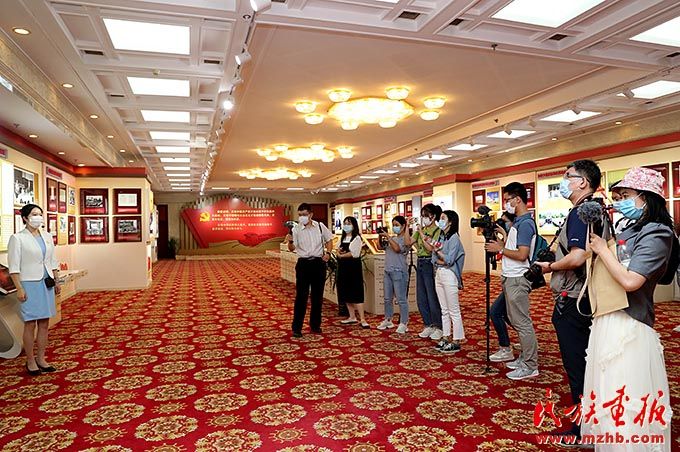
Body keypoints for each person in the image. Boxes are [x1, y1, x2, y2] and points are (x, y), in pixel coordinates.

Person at [585, 167, 674, 450]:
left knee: (626, 397)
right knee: (607, 394)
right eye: (617, 197)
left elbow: (631, 280)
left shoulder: (658, 232)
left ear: (646, 197)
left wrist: (603, 250)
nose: (620, 202)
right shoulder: (630, 229)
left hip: (630, 324)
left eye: (625, 195)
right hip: (608, 318)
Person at [536, 159, 602, 441]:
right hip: (586, 296)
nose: (563, 182)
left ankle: (583, 429)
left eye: (567, 177)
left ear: (583, 182)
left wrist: (549, 267)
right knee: (587, 363)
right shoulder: (595, 210)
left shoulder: (580, 213)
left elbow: (577, 257)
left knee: (578, 366)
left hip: (574, 298)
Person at [485, 182, 538, 380]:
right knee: (510, 317)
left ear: (518, 199)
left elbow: (522, 254)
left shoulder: (525, 224)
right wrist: (504, 241)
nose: (506, 204)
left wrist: (500, 248)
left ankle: (530, 365)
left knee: (522, 322)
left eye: (508, 200)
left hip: (518, 278)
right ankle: (524, 357)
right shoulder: (519, 222)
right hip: (511, 277)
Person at [7, 203, 60, 375]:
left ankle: (41, 358)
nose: (38, 217)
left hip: (46, 282)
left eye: (40, 214)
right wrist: (19, 288)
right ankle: (30, 360)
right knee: (30, 323)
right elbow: (14, 267)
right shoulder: (18, 238)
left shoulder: (47, 236)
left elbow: (52, 260)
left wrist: (57, 280)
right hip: (29, 284)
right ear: (25, 218)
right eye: (34, 214)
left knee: (44, 323)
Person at [285, 203, 334, 338]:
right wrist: (290, 242)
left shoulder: (320, 226)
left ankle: (315, 325)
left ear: (311, 214)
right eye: (300, 215)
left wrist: (328, 253)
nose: (302, 217)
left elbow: (329, 240)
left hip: (318, 264)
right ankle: (297, 328)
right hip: (303, 264)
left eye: (305, 215)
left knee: (317, 296)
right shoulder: (296, 229)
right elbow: (291, 248)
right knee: (301, 296)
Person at [423, 210, 465, 353]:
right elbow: (434, 259)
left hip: (449, 274)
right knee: (444, 309)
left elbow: (449, 259)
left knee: (453, 310)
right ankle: (446, 336)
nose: (440, 221)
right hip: (439, 273)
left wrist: (438, 252)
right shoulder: (442, 236)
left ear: (450, 222)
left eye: (442, 218)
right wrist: (439, 255)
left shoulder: (454, 238)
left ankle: (457, 339)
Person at [410, 203, 443, 340]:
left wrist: (422, 233)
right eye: (422, 216)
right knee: (421, 296)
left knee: (431, 296)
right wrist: (407, 227)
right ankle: (428, 324)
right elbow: (409, 242)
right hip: (420, 262)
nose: (423, 218)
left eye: (426, 216)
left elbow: (430, 248)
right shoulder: (420, 230)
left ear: (433, 216)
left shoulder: (437, 231)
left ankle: (438, 326)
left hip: (430, 263)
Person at [489, 211, 517, 362]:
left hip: (516, 280)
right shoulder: (511, 235)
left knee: (495, 312)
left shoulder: (516, 233)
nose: (502, 224)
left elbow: (515, 253)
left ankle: (505, 347)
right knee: (507, 314)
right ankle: (526, 340)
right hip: (509, 279)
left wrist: (504, 236)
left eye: (505, 222)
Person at [377, 216, 410, 334]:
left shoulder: (405, 240)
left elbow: (397, 249)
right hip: (388, 271)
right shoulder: (392, 238)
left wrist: (388, 236)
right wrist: (380, 235)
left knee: (401, 299)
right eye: (393, 225)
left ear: (403, 226)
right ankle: (388, 319)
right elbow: (380, 247)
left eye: (397, 225)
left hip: (399, 271)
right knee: (387, 298)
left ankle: (404, 323)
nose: (394, 227)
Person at [336, 216, 368, 328]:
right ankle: (352, 316)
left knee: (356, 292)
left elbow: (354, 253)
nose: (346, 226)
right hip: (343, 268)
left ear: (354, 225)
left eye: (349, 223)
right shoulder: (342, 237)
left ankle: (362, 318)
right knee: (346, 292)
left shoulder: (357, 238)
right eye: (345, 223)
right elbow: (337, 249)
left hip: (353, 268)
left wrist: (341, 255)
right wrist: (338, 252)